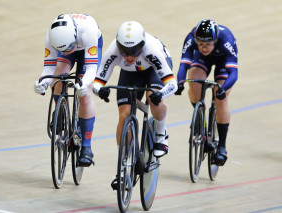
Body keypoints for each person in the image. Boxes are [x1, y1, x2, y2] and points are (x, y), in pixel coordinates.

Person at [92, 21, 177, 189]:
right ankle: (122, 168)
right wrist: (100, 91)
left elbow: (172, 84)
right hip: (131, 74)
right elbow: (97, 81)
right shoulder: (113, 51)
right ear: (118, 46)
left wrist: (161, 94)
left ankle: (161, 133)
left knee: (153, 97)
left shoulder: (152, 51)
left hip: (153, 69)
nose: (129, 56)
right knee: (124, 116)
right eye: (124, 52)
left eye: (134, 51)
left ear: (143, 46)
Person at [33, 13, 103, 167]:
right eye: (62, 50)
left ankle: (86, 147)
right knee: (59, 76)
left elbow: (91, 69)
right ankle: (60, 111)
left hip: (88, 47)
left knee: (84, 95)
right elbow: (49, 68)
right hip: (68, 42)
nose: (66, 51)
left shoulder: (88, 32)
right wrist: (42, 83)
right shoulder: (51, 38)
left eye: (69, 48)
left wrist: (83, 84)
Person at [175, 19, 238, 166]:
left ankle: (222, 146)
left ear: (215, 41)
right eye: (200, 44)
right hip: (202, 60)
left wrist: (222, 89)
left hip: (223, 60)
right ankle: (200, 120)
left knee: (220, 97)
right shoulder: (191, 39)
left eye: (207, 44)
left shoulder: (226, 40)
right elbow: (183, 66)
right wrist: (180, 83)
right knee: (195, 84)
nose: (204, 47)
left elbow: (233, 73)